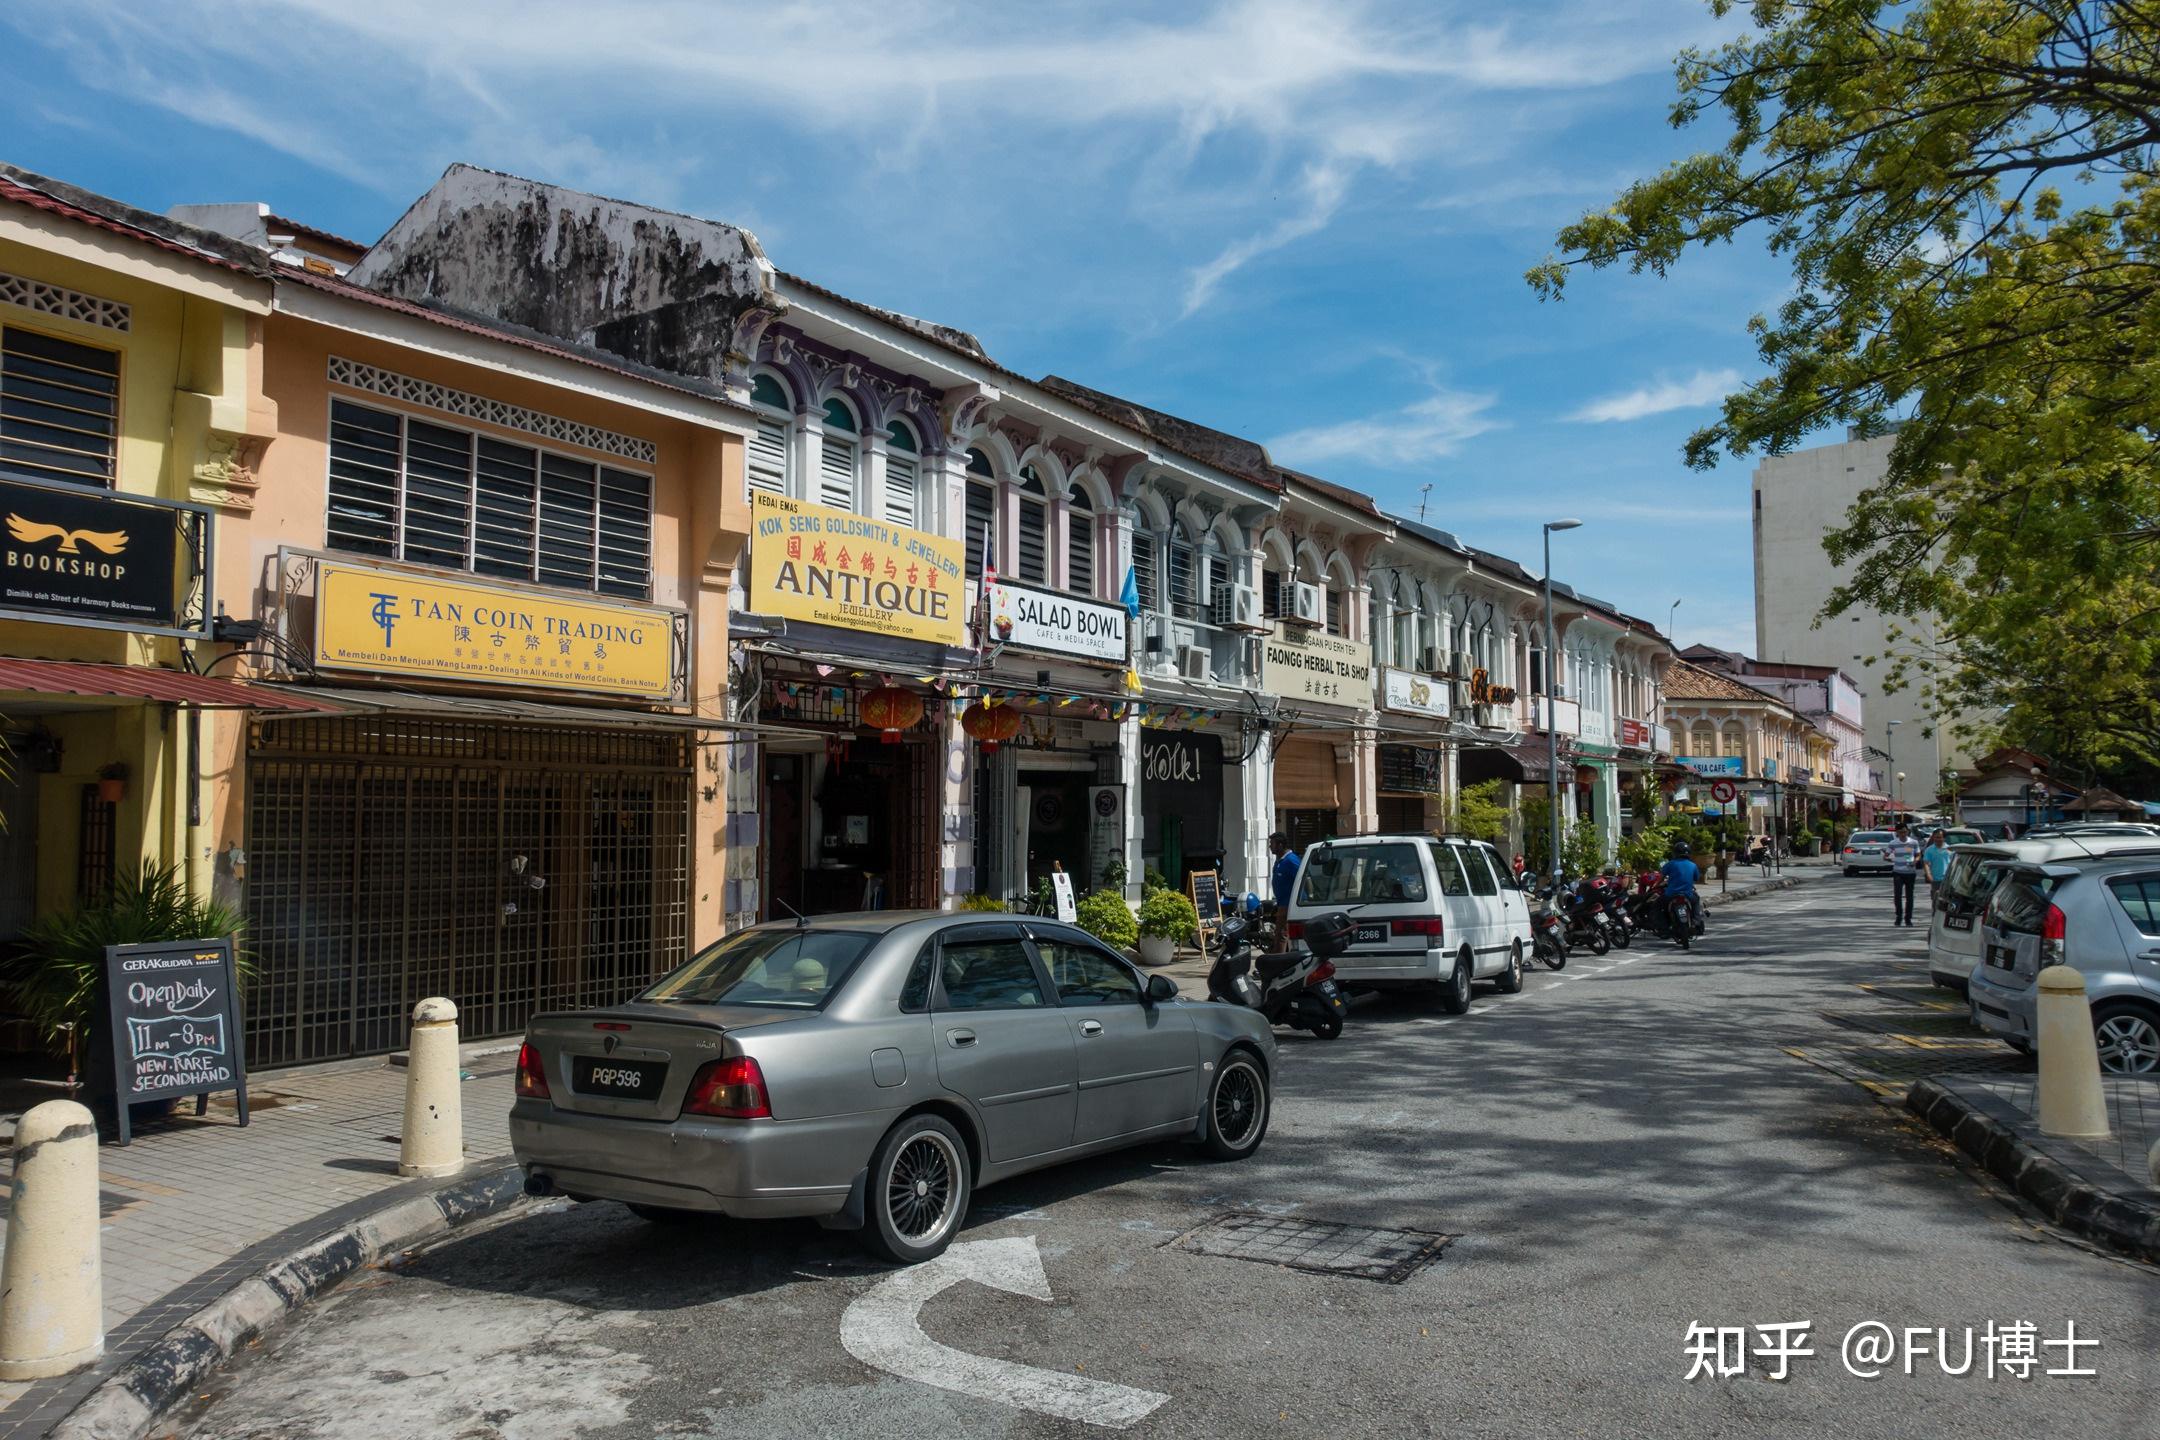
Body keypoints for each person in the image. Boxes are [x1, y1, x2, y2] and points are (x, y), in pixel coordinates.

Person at [1659, 840, 1702, 935]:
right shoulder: (1693, 865)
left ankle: (1664, 926)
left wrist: (1656, 885)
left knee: (1658, 906)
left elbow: (1660, 878)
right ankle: (1696, 922)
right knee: (1696, 902)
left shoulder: (1670, 864)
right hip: (1688, 894)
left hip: (1670, 894)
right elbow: (1696, 878)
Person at [1885, 821, 1920, 926]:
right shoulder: (1893, 843)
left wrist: (1915, 861)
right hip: (1898, 871)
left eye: (1905, 832)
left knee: (1909, 896)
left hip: (1910, 872)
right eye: (1900, 832)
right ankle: (1898, 916)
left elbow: (1918, 855)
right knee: (1898, 895)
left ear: (1908, 831)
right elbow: (1886, 855)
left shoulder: (1913, 842)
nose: (1903, 834)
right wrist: (1890, 858)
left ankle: (1908, 918)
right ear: (1897, 833)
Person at [1268, 830, 1300, 915]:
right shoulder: (1279, 861)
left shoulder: (1291, 860)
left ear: (1280, 845)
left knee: (1278, 928)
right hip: (1281, 903)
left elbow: (1304, 878)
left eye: (1272, 844)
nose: (1270, 846)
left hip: (1289, 905)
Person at [1922, 828, 1953, 906]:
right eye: (1935, 837)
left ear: (1944, 838)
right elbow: (1926, 863)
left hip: (1948, 880)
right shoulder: (1929, 850)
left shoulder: (1950, 849)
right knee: (1936, 902)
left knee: (1947, 902)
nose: (1937, 839)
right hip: (1935, 879)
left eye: (1939, 837)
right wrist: (1928, 875)